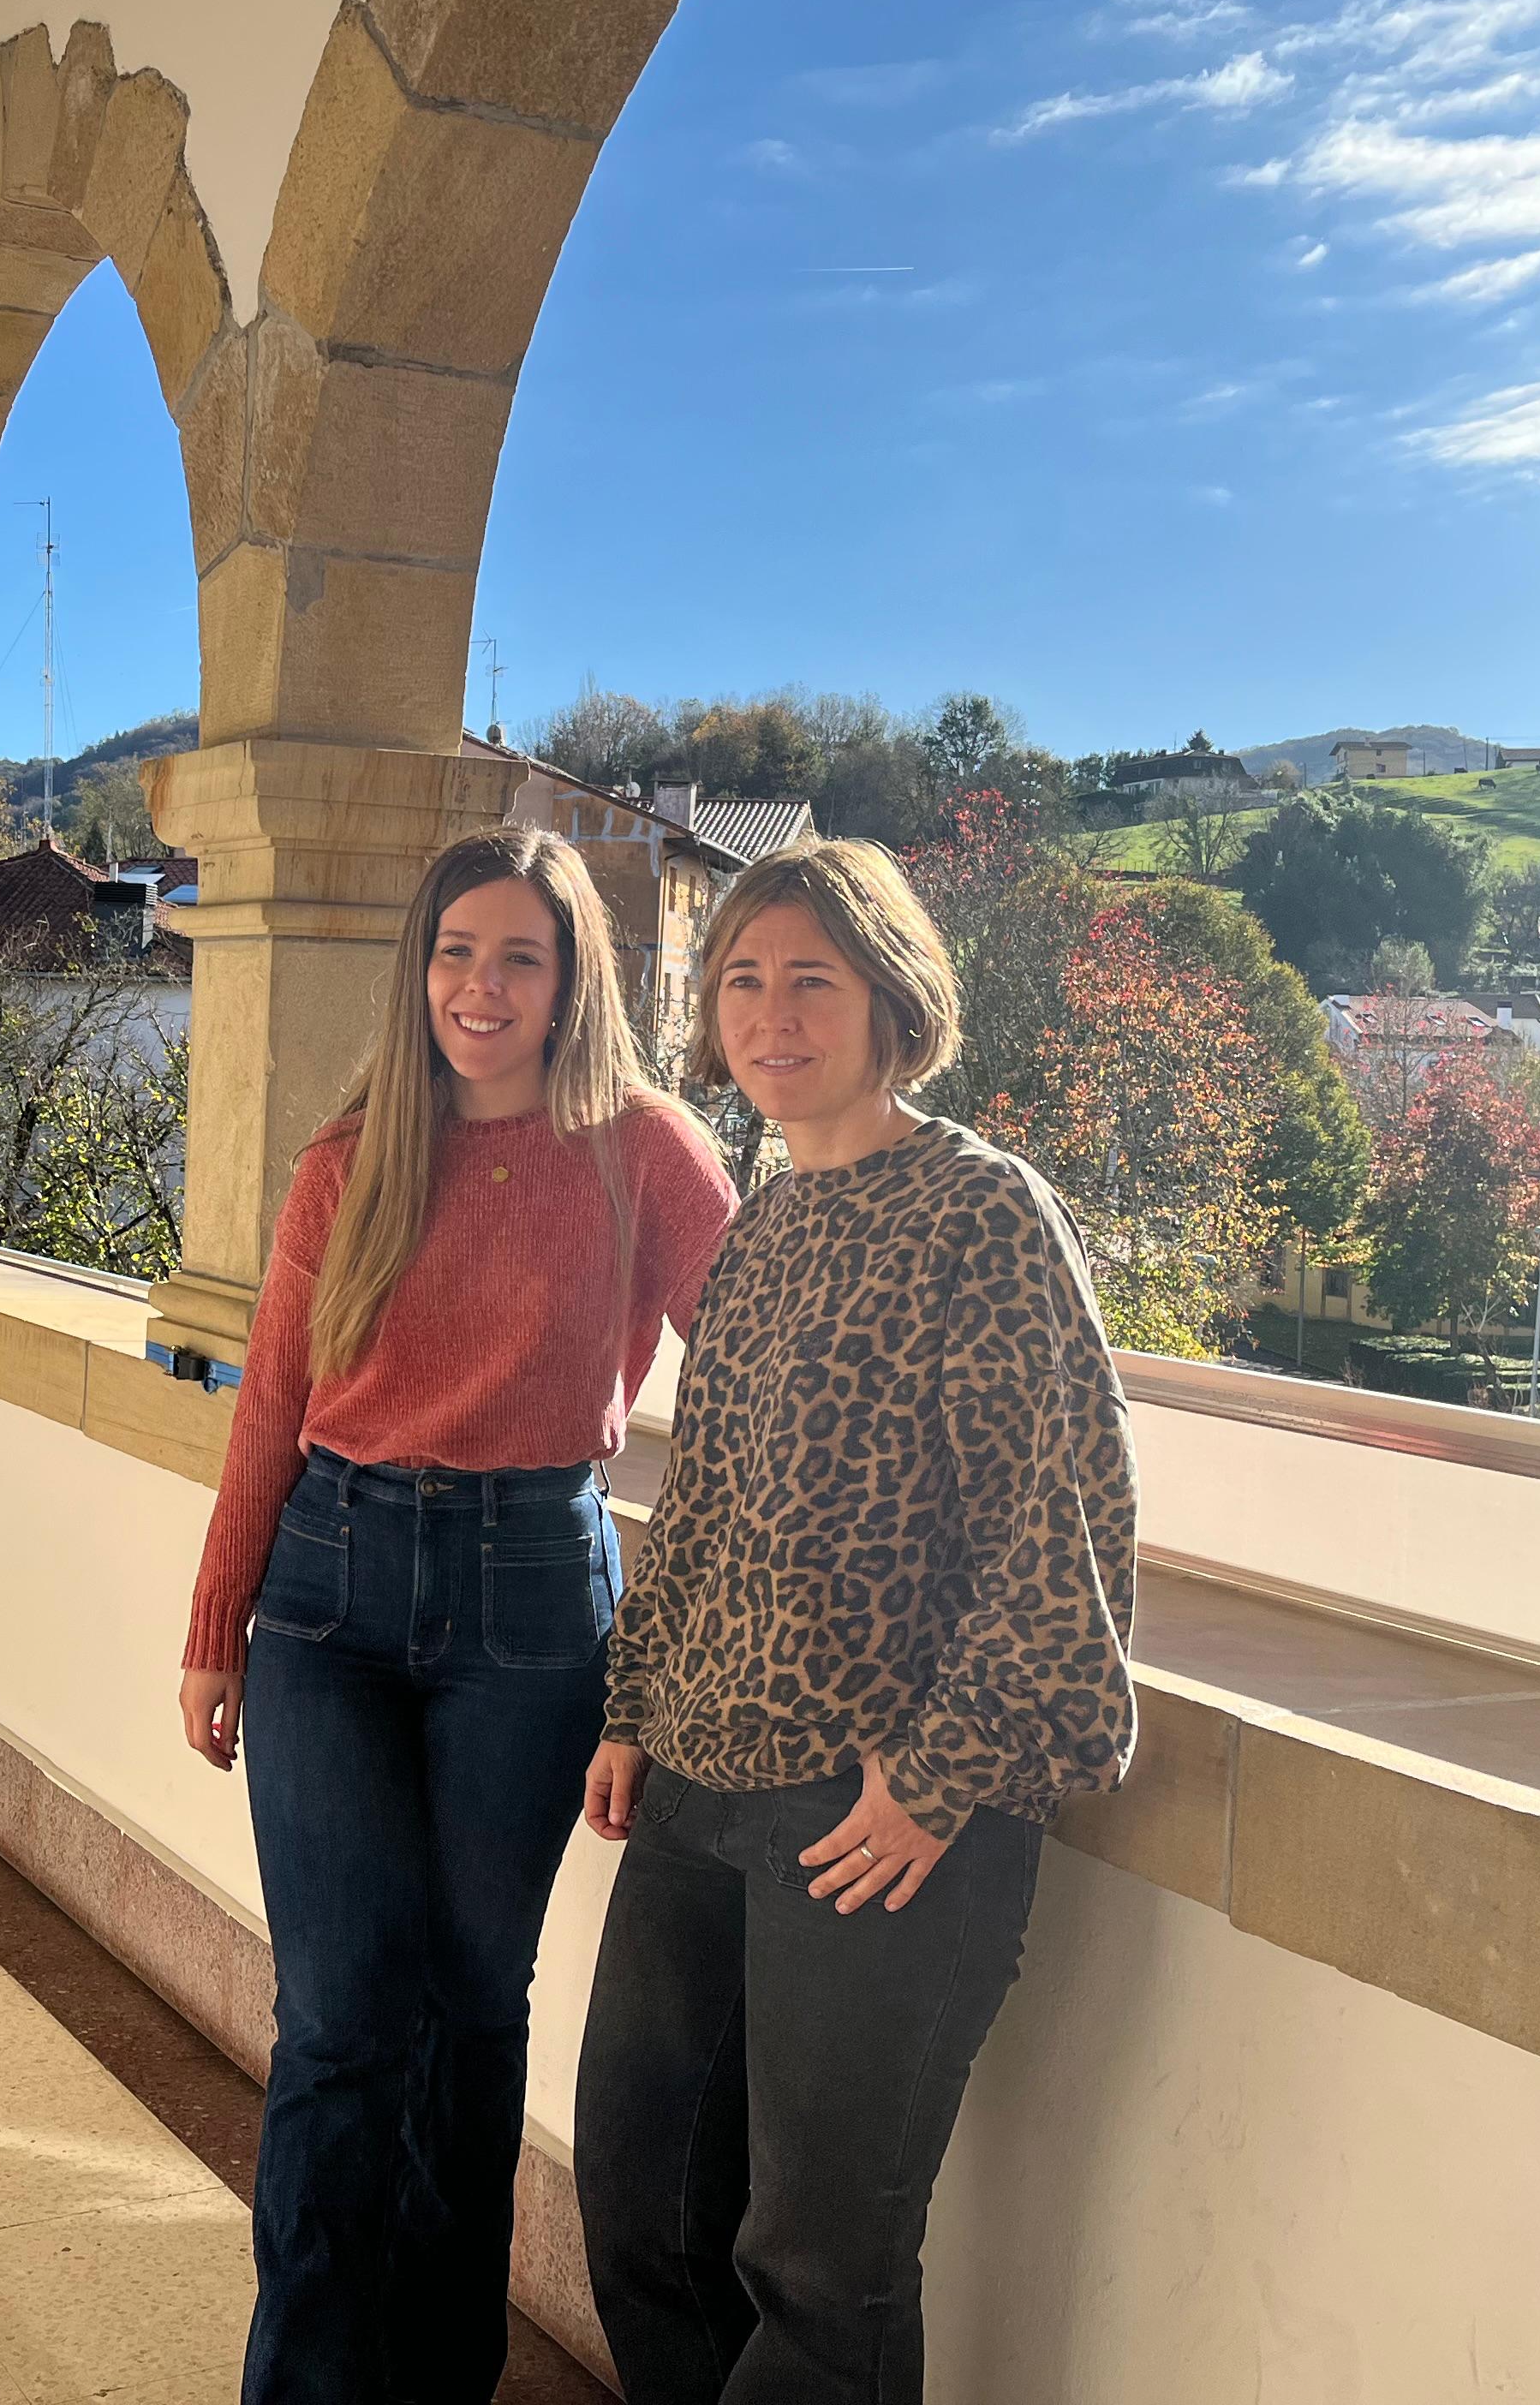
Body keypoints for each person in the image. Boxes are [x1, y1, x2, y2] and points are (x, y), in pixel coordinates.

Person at [178, 824, 737, 2405]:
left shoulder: (645, 1151)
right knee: (343, 2019)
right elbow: (272, 1403)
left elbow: (764, 1374)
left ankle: (437, 2379)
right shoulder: (351, 1157)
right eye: (454, 953)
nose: (480, 987)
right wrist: (217, 1626)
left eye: (519, 957)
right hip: (327, 1599)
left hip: (536, 1602)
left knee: (476, 2012)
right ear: (415, 970)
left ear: (573, 981)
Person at [573, 840, 1137, 2403]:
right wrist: (636, 1709)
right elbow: (703, 1504)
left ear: (894, 1001)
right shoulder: (759, 1226)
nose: (771, 1014)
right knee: (638, 2214)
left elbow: (1064, 1529)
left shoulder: (986, 1216)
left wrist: (936, 1777)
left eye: (811, 978)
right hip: (697, 1790)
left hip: (877, 1809)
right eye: (743, 981)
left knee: (818, 2269)